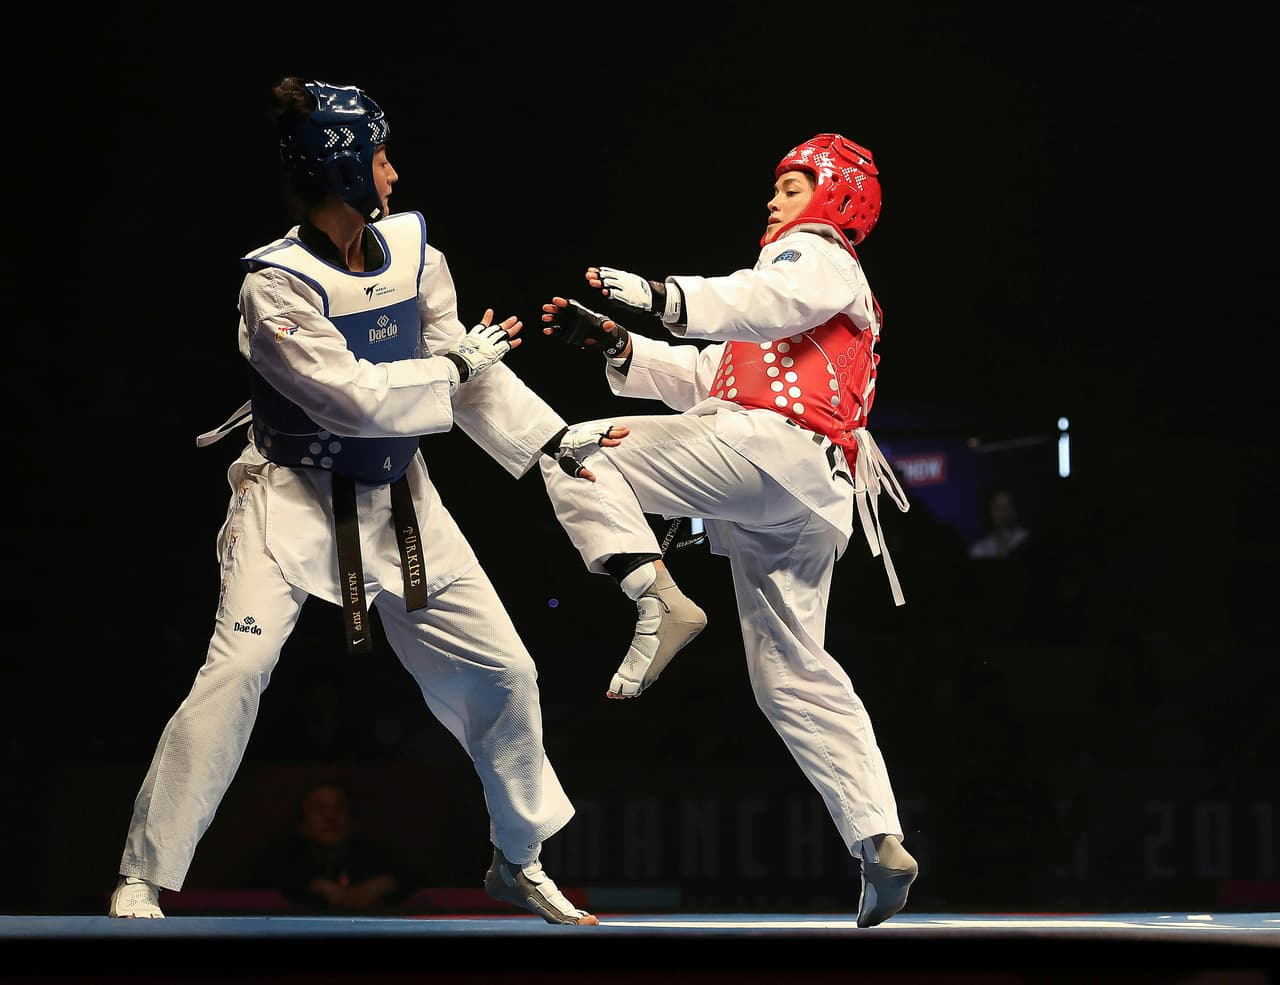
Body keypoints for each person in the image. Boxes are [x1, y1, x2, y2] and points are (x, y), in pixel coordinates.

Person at [107, 77, 619, 926]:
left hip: (401, 501)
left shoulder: (416, 254)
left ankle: (517, 856)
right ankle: (144, 873)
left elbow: (468, 372)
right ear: (342, 171)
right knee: (236, 671)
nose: (392, 172)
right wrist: (453, 365)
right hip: (292, 500)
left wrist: (553, 441)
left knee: (507, 672)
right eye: (380, 158)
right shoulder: (275, 286)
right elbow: (351, 398)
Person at [537, 134, 918, 927]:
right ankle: (879, 840)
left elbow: (752, 301)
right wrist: (618, 343)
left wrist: (659, 294)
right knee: (790, 672)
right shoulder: (792, 304)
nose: (774, 201)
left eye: (791, 186)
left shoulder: (817, 256)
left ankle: (657, 596)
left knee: (573, 451)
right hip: (806, 493)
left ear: (834, 197)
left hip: (770, 455)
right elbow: (704, 375)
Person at [261, 780, 417, 913]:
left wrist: (387, 883)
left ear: (352, 821)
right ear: (302, 825)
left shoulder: (374, 855)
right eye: (318, 809)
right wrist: (313, 885)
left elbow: (416, 880)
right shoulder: (281, 859)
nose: (330, 817)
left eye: (339, 808)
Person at [968, 487, 1031, 560]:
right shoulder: (978, 550)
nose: (1003, 512)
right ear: (990, 512)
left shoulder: (1027, 539)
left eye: (1007, 507)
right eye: (997, 508)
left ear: (1015, 511)